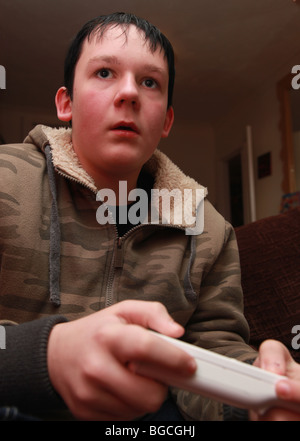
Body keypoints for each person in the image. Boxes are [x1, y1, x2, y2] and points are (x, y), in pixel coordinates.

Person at [0, 12, 299, 422]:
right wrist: (42, 355)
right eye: (104, 72)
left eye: (149, 82)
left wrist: (257, 393)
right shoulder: (4, 180)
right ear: (66, 103)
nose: (129, 93)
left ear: (166, 121)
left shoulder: (210, 230)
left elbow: (212, 346)